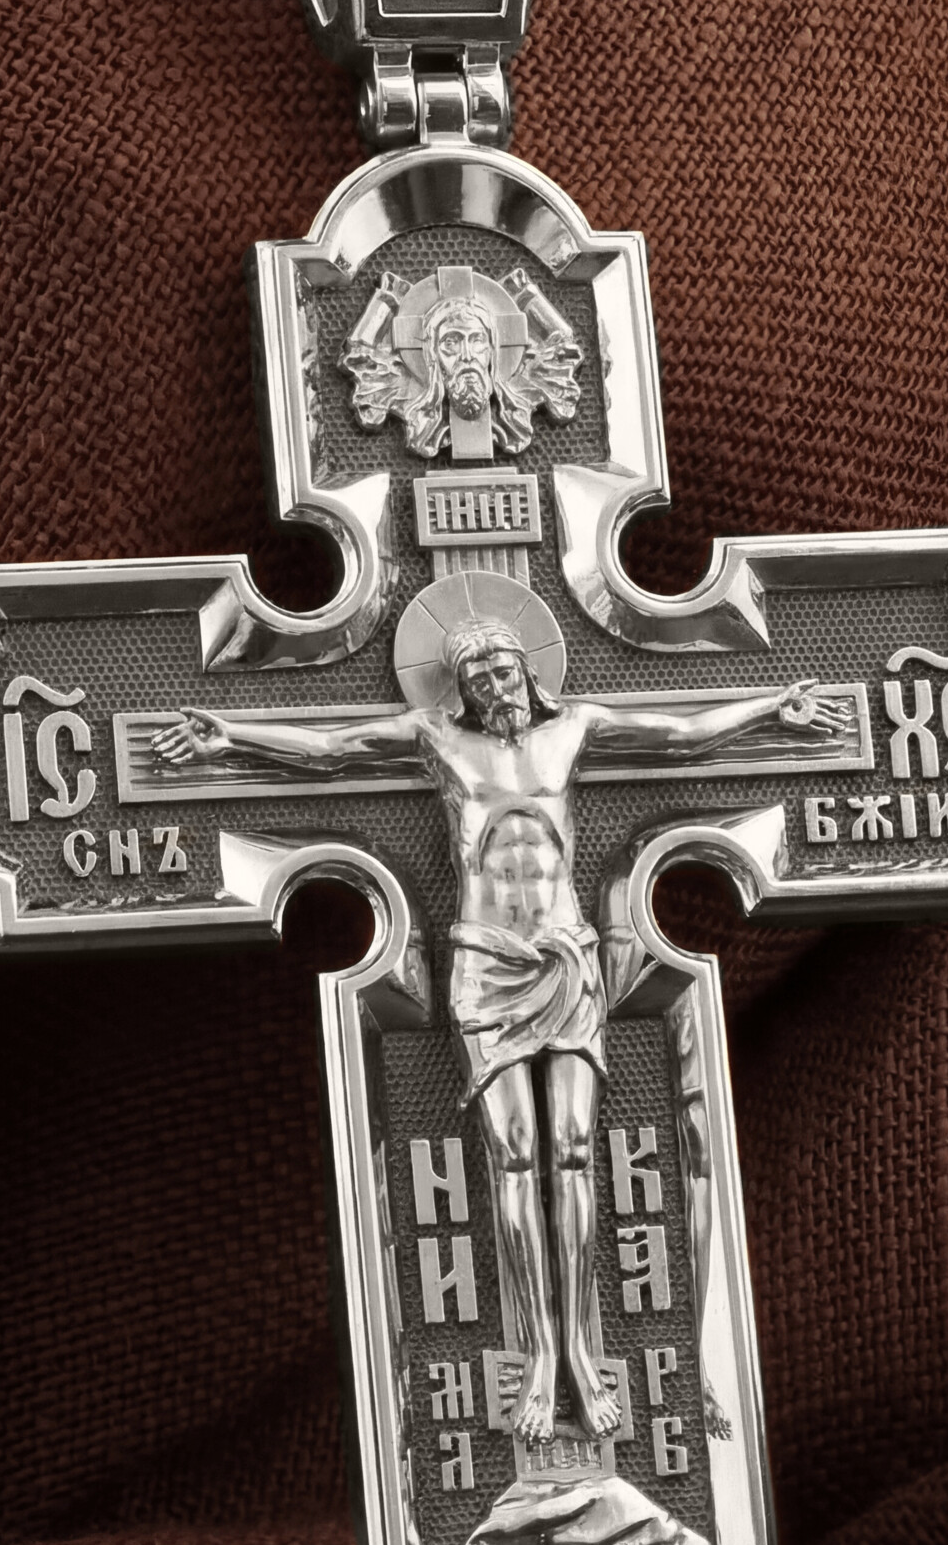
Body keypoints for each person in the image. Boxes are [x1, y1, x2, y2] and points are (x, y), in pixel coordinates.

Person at [153, 613, 832, 1442]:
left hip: (566, 955)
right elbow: (331, 749)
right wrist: (230, 736)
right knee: (513, 1154)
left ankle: (579, 1350)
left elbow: (684, 736)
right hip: (485, 960)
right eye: (476, 679)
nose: (493, 688)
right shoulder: (436, 738)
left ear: (526, 670)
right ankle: (542, 1354)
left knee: (572, 1150)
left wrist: (771, 709)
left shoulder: (573, 729)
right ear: (460, 689)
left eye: (502, 671)